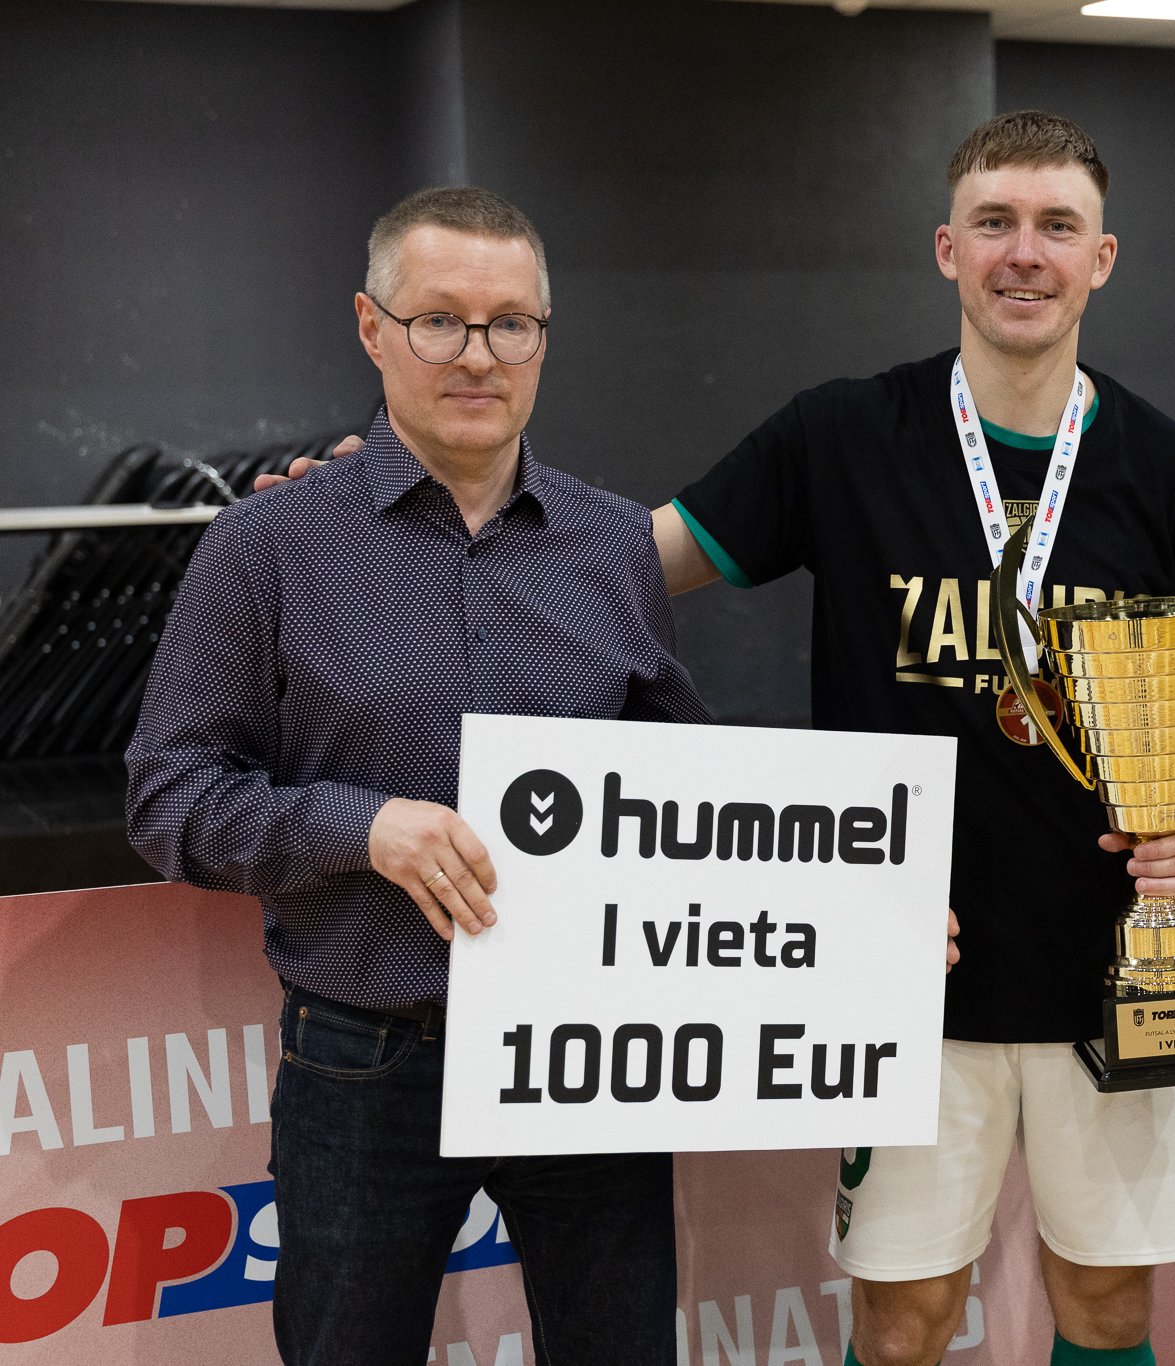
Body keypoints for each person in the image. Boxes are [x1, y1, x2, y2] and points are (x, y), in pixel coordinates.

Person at [273, 113, 1175, 1366]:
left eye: (1057, 226)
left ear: (1100, 258)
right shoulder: (842, 435)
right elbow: (614, 563)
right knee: (903, 1321)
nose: (1024, 253)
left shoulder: (1170, 471)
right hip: (903, 972)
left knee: (1109, 1304)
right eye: (994, 222)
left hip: (1110, 963)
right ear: (946, 247)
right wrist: (379, 508)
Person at [126, 187, 711, 1366]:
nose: (478, 355)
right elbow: (169, 798)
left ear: (543, 336)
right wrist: (363, 827)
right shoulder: (265, 547)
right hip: (366, 1057)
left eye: (511, 324)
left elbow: (692, 797)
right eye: (440, 320)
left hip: (586, 1057)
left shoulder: (612, 544)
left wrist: (865, 910)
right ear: (372, 327)